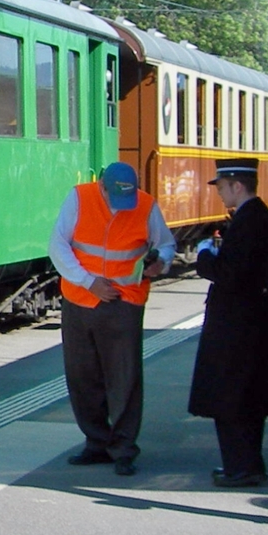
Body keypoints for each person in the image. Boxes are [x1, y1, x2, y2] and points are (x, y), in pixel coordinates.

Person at [49, 161, 176, 476]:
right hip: (81, 299)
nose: (123, 207)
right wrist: (88, 281)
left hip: (124, 301)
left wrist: (161, 263)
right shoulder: (79, 198)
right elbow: (57, 245)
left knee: (124, 378)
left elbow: (166, 245)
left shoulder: (145, 205)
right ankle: (96, 443)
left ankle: (123, 449)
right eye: (115, 197)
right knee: (82, 375)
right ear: (102, 186)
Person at [188, 158, 268, 488]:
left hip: (235, 324)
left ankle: (240, 468)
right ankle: (247, 464)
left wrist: (204, 257)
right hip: (256, 317)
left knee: (230, 396)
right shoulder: (267, 220)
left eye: (222, 188)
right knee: (250, 397)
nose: (220, 195)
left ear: (237, 186)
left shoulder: (246, 223)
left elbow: (227, 274)